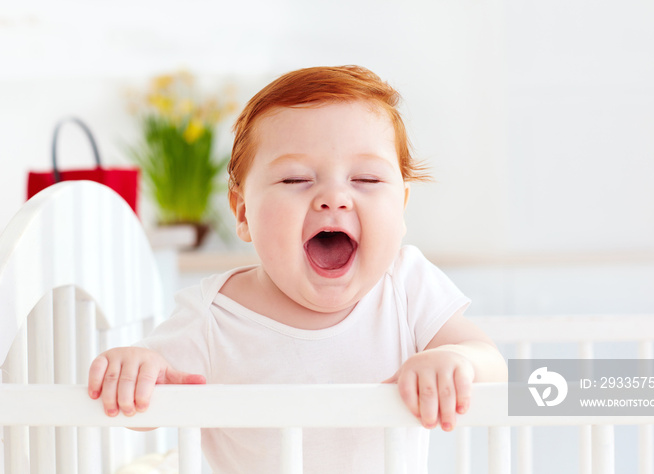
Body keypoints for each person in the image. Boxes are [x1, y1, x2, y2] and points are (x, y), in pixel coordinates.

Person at [88, 65, 507, 473]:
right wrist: (136, 369)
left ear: (401, 208)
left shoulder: (408, 286)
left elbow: (493, 365)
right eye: (294, 180)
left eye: (366, 179)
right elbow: (142, 410)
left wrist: (456, 361)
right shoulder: (213, 317)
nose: (333, 197)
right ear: (243, 213)